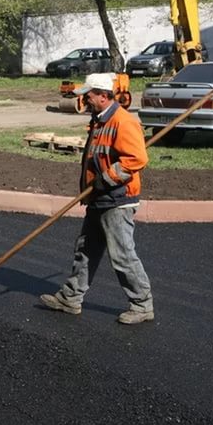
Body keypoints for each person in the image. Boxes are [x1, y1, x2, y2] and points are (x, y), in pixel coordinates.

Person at [40, 72, 154, 325]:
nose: (85, 100)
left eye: (88, 96)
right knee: (86, 250)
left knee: (122, 255)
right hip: (98, 197)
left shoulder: (122, 122)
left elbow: (137, 159)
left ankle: (142, 304)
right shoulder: (99, 120)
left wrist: (107, 179)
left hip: (117, 200)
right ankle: (70, 298)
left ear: (103, 96)